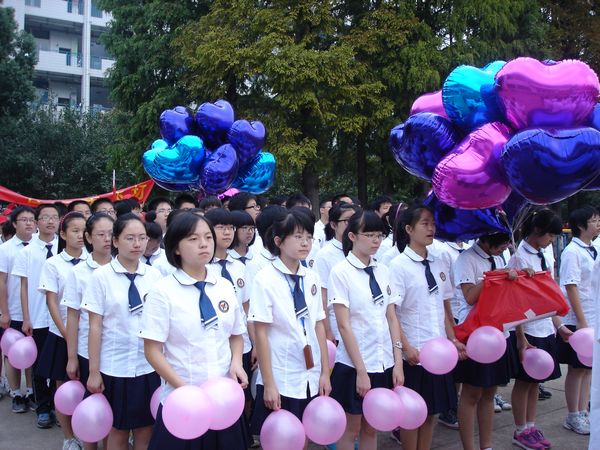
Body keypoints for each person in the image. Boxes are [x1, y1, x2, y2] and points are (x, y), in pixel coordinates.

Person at [141, 212, 248, 450]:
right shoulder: (163, 292)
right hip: (184, 404)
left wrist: (237, 363)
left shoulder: (224, 286)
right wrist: (184, 388)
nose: (204, 244)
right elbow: (152, 350)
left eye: (208, 237)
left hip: (224, 401)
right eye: (193, 238)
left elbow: (236, 334)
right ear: (176, 248)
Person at [248, 208, 331, 437]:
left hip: (309, 373)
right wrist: (269, 383)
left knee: (303, 435)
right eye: (297, 237)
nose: (305, 243)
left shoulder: (311, 277)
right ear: (279, 241)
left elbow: (318, 325)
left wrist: (324, 372)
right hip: (281, 374)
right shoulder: (265, 280)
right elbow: (261, 333)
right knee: (280, 437)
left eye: (308, 237)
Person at [83, 214, 161, 450]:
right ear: (115, 241)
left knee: (146, 428)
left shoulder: (155, 276)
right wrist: (94, 371)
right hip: (113, 367)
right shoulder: (101, 277)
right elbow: (94, 326)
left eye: (142, 238)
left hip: (147, 365)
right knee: (116, 429)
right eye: (130, 238)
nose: (137, 244)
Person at [328, 210, 403, 450]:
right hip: (354, 365)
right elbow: (343, 324)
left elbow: (391, 318)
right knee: (351, 428)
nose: (375, 241)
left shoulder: (383, 270)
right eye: (369, 234)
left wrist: (398, 362)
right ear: (352, 236)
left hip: (383, 361)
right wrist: (361, 370)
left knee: (373, 427)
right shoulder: (341, 272)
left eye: (379, 235)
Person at [389, 205, 459, 450]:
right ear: (409, 229)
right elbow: (393, 313)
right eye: (425, 224)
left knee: (432, 412)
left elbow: (445, 307)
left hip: (438, 353)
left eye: (432, 224)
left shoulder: (439, 262)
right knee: (411, 416)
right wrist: (406, 347)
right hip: (415, 354)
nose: (431, 229)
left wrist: (453, 339)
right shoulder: (398, 266)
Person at [507, 208, 566, 449]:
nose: (551, 241)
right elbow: (515, 302)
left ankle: (531, 426)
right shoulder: (519, 256)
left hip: (544, 326)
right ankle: (520, 429)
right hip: (528, 329)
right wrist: (520, 338)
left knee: (536, 382)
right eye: (550, 236)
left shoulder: (544, 252)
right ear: (538, 231)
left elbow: (549, 291)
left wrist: (558, 324)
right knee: (524, 382)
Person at [453, 232, 518, 450]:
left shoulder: (499, 257)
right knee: (472, 393)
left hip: (498, 333)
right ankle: (469, 447)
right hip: (475, 334)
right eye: (500, 244)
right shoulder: (466, 259)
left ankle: (486, 445)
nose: (503, 249)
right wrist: (492, 277)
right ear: (487, 240)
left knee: (490, 392)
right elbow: (469, 296)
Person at [63, 213, 114, 450]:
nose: (106, 239)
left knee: (112, 409)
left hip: (116, 353)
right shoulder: (79, 272)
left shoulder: (128, 269)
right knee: (91, 407)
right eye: (100, 234)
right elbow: (72, 317)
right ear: (88, 237)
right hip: (87, 351)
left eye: (111, 234)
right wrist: (72, 357)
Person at [38, 212, 88, 450]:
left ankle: (91, 432)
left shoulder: (94, 261)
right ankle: (69, 438)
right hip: (62, 335)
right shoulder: (53, 264)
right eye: (74, 231)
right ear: (63, 234)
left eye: (83, 231)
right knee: (64, 388)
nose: (80, 235)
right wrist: (68, 334)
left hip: (90, 336)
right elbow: (52, 302)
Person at [12, 203, 60, 428]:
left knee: (60, 366)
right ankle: (42, 408)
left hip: (61, 317)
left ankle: (58, 406)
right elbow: (24, 286)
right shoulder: (27, 252)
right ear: (37, 222)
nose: (50, 221)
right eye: (45, 217)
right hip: (39, 317)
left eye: (54, 217)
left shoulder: (67, 247)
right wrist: (26, 318)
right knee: (40, 366)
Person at [557, 206, 600, 435]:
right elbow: (570, 286)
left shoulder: (593, 248)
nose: (598, 223)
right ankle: (573, 414)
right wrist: (582, 321)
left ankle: (584, 412)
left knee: (588, 369)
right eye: (593, 220)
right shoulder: (572, 251)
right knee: (576, 369)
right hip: (578, 319)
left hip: (594, 317)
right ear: (581, 225)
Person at [0, 206, 36, 413]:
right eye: (24, 220)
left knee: (32, 352)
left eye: (32, 219)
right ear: (14, 224)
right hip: (13, 309)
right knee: (12, 352)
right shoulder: (5, 250)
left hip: (35, 311)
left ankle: (31, 391)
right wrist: (4, 312)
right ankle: (16, 393)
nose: (29, 223)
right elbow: (2, 282)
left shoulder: (42, 247)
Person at [314, 202, 359, 343]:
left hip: (362, 325)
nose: (352, 224)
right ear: (333, 225)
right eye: (347, 221)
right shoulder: (325, 255)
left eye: (355, 220)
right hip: (337, 327)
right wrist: (327, 331)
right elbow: (322, 295)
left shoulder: (361, 249)